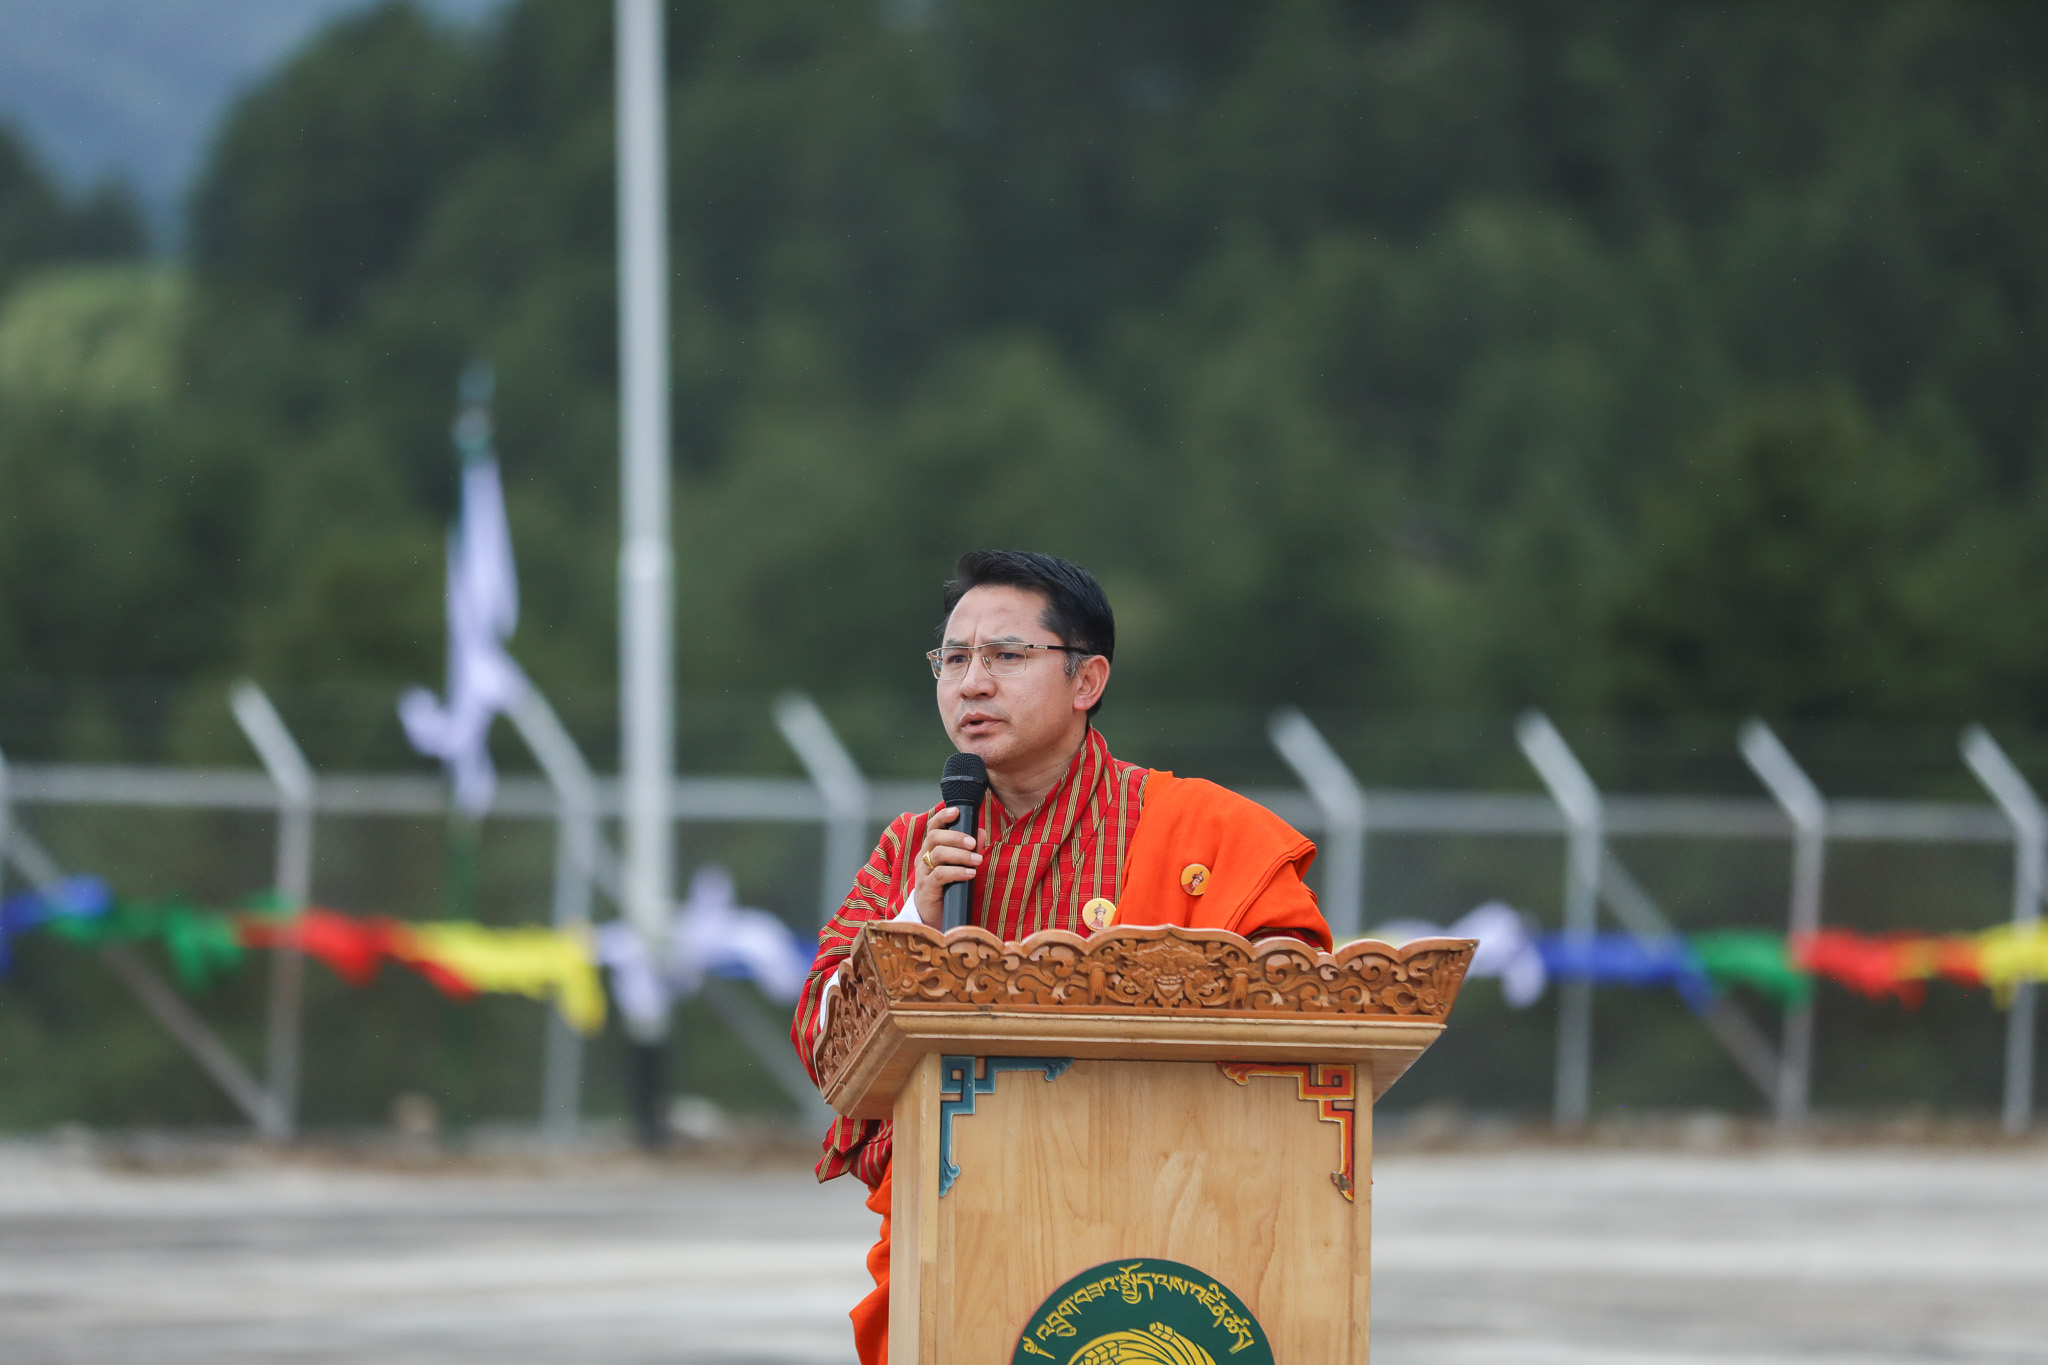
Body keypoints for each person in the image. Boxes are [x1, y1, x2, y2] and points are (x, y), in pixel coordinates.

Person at [788, 549, 1333, 1365]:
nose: (973, 682)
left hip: (1173, 1226)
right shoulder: (916, 849)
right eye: (954, 658)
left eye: (1007, 655)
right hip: (957, 1222)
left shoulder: (1199, 828)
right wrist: (912, 920)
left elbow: (1299, 1006)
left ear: (1087, 681)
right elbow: (824, 1041)